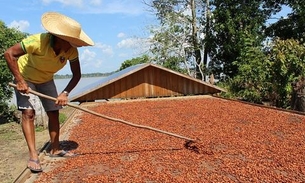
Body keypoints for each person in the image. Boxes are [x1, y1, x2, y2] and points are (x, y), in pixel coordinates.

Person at [4, 12, 94, 172]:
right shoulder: (37, 41)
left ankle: (55, 149)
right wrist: (20, 80)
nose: (74, 46)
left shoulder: (71, 51)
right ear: (60, 38)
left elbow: (77, 74)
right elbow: (9, 53)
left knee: (54, 112)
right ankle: (33, 156)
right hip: (26, 76)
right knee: (28, 113)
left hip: (46, 78)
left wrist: (65, 93)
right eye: (71, 42)